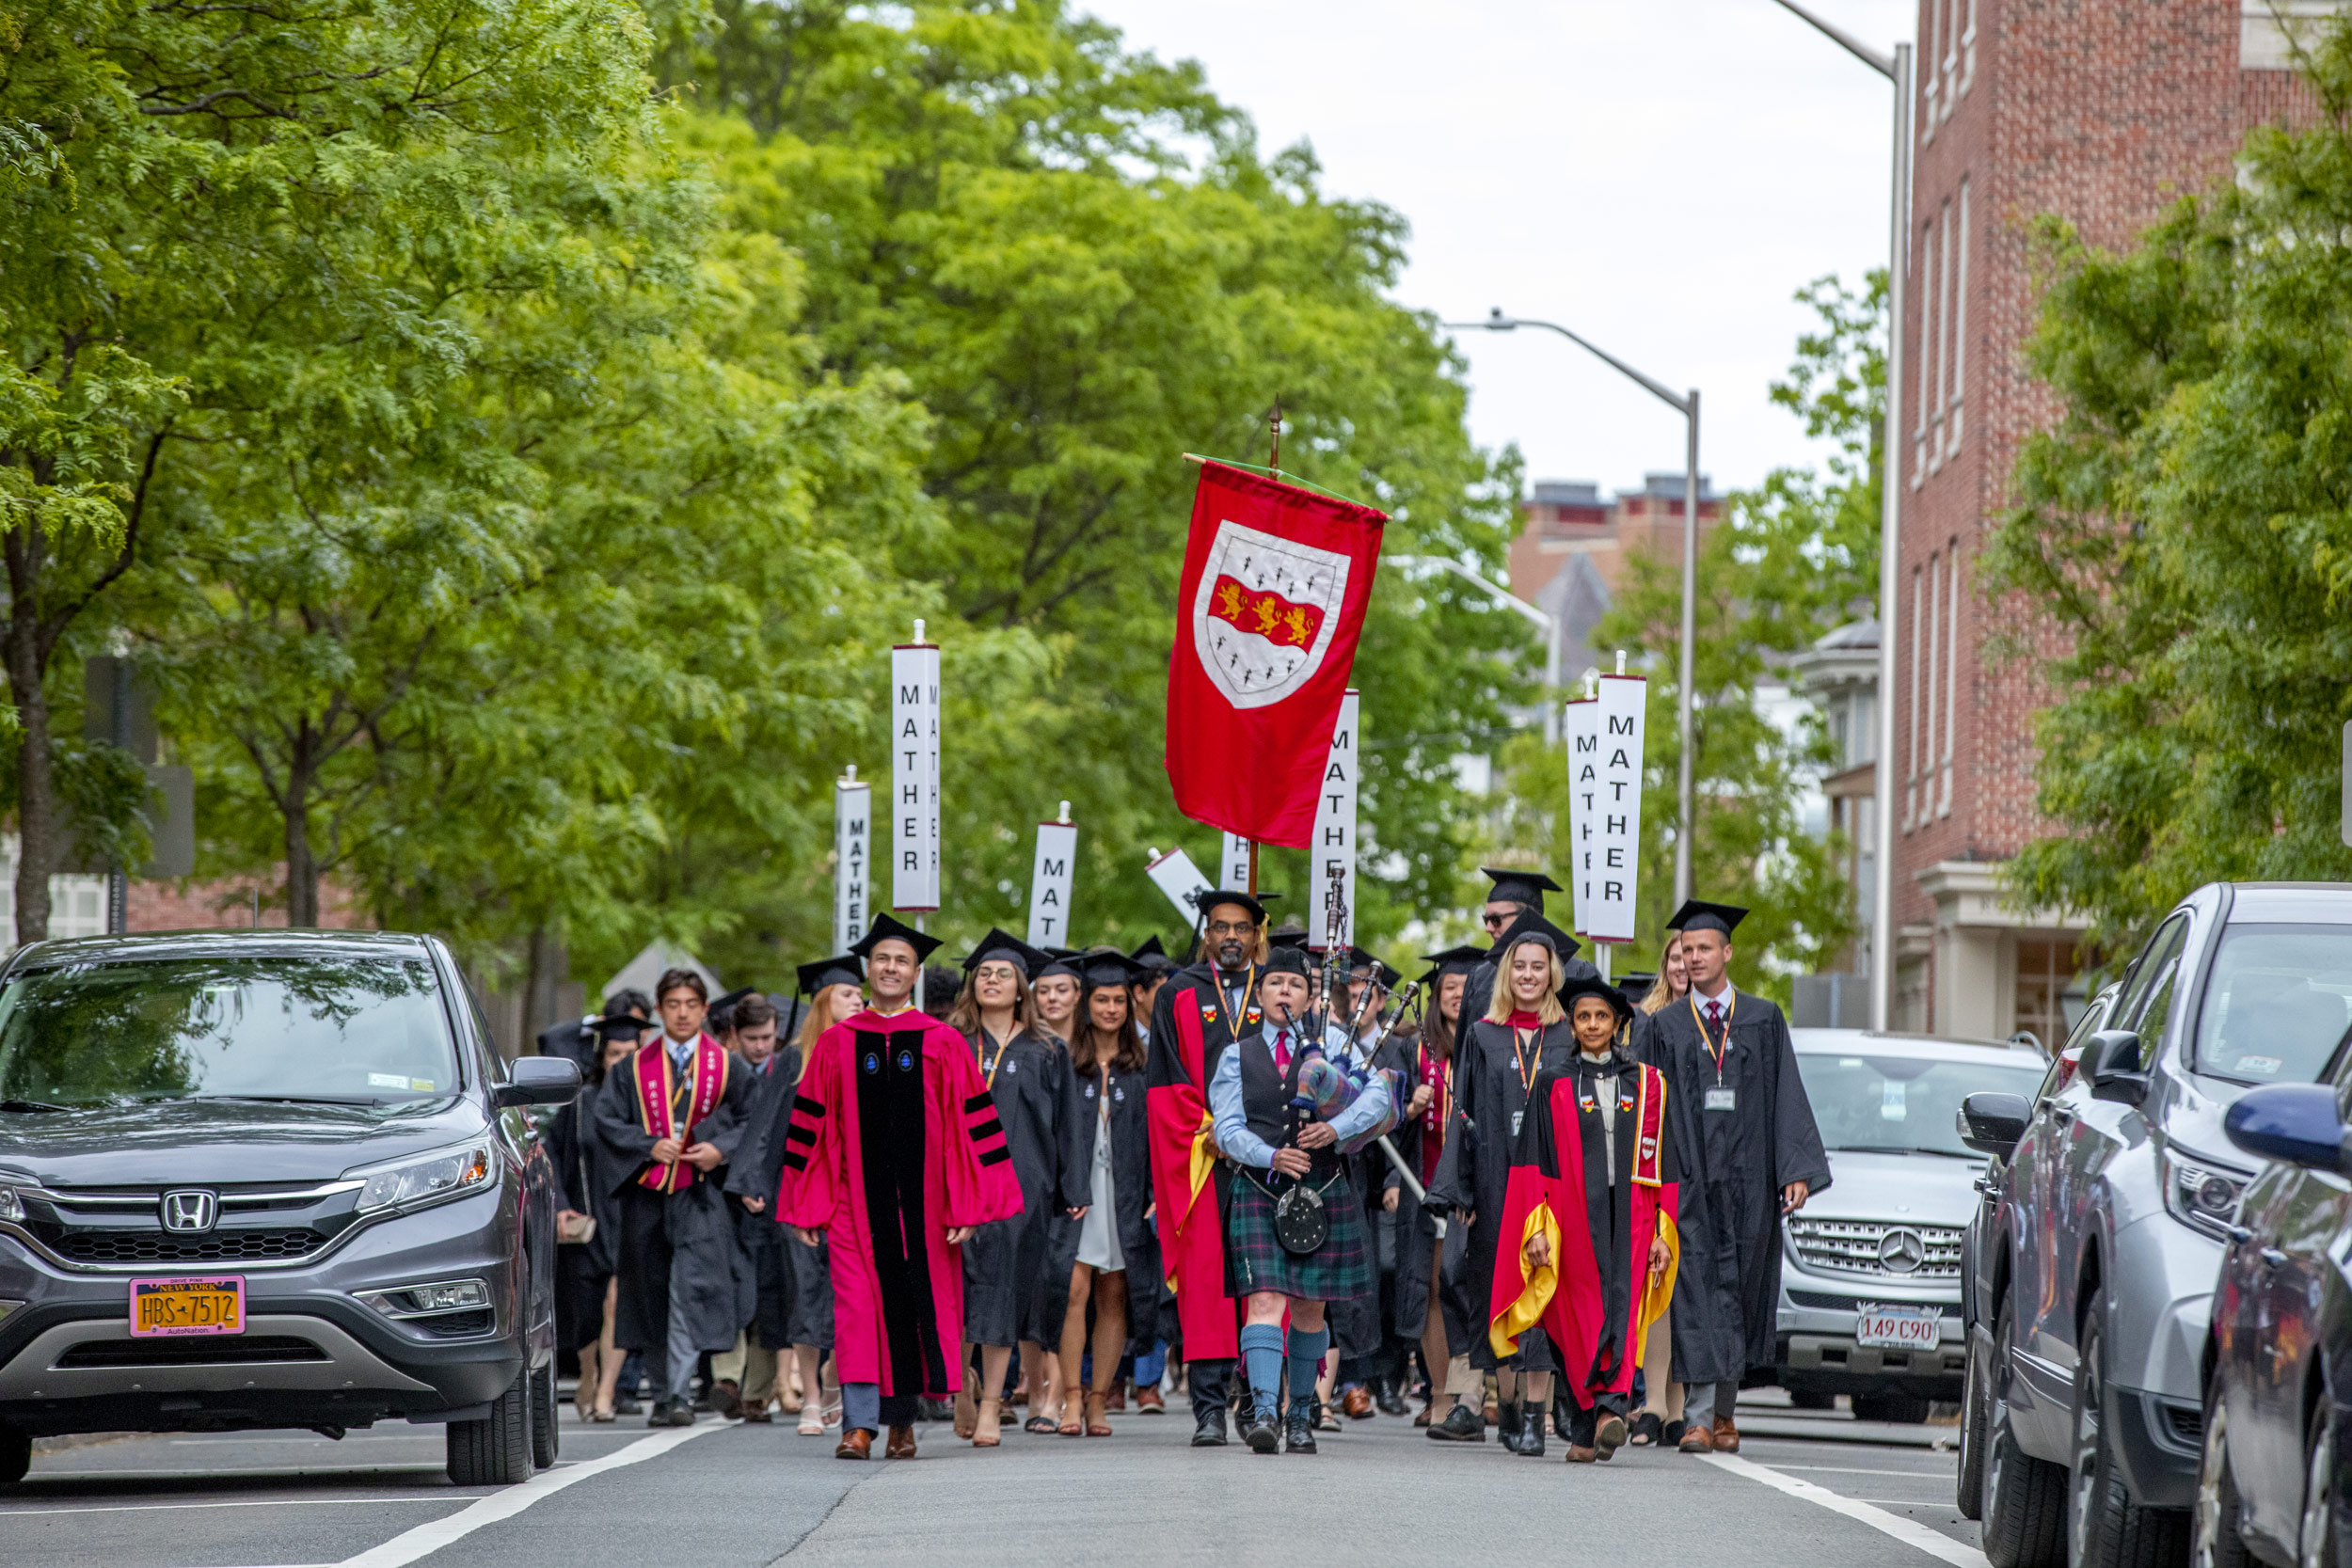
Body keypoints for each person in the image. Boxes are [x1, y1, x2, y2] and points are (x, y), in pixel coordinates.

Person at [775, 914, 1025, 1461]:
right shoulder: (838, 1043)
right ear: (869, 969)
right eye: (882, 959)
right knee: (859, 1310)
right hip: (851, 1207)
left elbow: (970, 1128)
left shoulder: (944, 1043)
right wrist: (808, 1206)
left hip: (927, 1207)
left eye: (901, 961)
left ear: (915, 973)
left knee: (914, 1306)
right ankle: (859, 1424)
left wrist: (967, 1205)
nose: (890, 968)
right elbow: (810, 1131)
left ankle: (901, 1422)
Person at [1642, 899, 1831, 1455]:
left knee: (1742, 1294)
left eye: (1704, 949)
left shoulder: (1763, 1018)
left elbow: (1787, 1096)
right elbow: (1650, 1109)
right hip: (1691, 1179)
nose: (1694, 958)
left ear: (1727, 952)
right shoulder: (1664, 1026)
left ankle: (1725, 1414)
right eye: (1686, 951)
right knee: (1697, 1294)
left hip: (1750, 1178)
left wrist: (1795, 1169)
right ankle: (1700, 1418)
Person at [1209, 945, 1396, 1455]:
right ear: (1261, 994)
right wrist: (1270, 1155)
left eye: (1294, 985)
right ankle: (1264, 1410)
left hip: (1325, 1185)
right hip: (1261, 1184)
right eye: (1274, 984)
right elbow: (1225, 1127)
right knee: (1265, 1300)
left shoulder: (1336, 1043)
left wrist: (1335, 1128)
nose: (1284, 992)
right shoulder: (1236, 1055)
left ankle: (1301, 1415)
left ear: (1310, 994)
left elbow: (1378, 1098)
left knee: (1311, 1309)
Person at [1488, 975, 1678, 1464]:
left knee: (1621, 1313)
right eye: (1583, 1016)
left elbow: (1665, 1167)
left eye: (1602, 1017)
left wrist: (1662, 1231)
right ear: (1571, 1024)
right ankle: (1586, 1425)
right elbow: (1534, 1163)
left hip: (1632, 1216)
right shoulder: (1553, 1082)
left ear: (1618, 1024)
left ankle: (1610, 1412)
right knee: (1574, 1321)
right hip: (1572, 1217)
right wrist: (1535, 1229)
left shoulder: (1648, 1083)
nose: (1593, 1024)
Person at [1427, 916, 1586, 1457]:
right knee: (1501, 1294)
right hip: (1496, 1183)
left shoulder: (1568, 1035)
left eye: (1537, 967)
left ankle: (1536, 1415)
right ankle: (1513, 1406)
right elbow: (1465, 1115)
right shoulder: (1483, 1036)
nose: (1527, 975)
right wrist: (1461, 1191)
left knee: (1544, 1293)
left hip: (1552, 1184)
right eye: (1518, 965)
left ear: (1552, 974)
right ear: (1505, 973)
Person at [591, 968, 757, 1427]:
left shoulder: (727, 1065)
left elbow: (754, 1119)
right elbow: (606, 1121)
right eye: (673, 1005)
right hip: (647, 1194)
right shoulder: (632, 1069)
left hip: (701, 1197)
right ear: (660, 1011)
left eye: (691, 1004)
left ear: (704, 1010)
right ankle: (664, 1395)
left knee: (688, 1292)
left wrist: (720, 1149)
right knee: (651, 1295)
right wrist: (648, 1145)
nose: (682, 1013)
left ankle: (680, 1392)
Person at [944, 930, 1087, 1447]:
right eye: (984, 973)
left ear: (1020, 986)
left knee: (1002, 1297)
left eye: (1003, 973)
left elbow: (1069, 1124)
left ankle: (990, 1406)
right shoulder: (950, 1041)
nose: (993, 980)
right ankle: (959, 1387)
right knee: (956, 1293)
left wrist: (1073, 1187)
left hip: (1021, 1188)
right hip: (955, 1184)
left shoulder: (1045, 1049)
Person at [1145, 888, 1275, 1448]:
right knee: (1204, 1283)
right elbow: (1164, 1084)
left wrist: (1256, 1137)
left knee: (1262, 1281)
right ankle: (1207, 1409)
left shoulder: (1277, 991)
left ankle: (1256, 1401)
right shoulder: (1178, 992)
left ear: (1256, 934)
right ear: (1206, 934)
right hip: (1203, 1159)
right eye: (1219, 927)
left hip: (1267, 1160)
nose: (1229, 936)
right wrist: (1213, 1134)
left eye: (1240, 928)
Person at [750, 958, 862, 1436]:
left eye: (860, 996)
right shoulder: (795, 1060)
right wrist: (755, 1183)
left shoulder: (867, 1054)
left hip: (857, 1194)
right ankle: (812, 1396)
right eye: (847, 995)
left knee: (851, 1297)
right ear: (822, 1002)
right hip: (804, 1194)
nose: (858, 1001)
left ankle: (836, 1381)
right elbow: (767, 1129)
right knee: (807, 1295)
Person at [1046, 953, 1155, 1437]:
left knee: (1115, 1292)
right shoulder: (1065, 1060)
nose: (1110, 1008)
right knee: (1074, 1289)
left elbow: (1160, 1135)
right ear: (1086, 1004)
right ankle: (1070, 1396)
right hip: (1077, 1189)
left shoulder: (1143, 1065)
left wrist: (1156, 1191)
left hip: (1126, 1190)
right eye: (1101, 1000)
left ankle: (1097, 1401)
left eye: (1118, 1000)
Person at [549, 1007, 654, 1421]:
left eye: (630, 1052)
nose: (621, 1062)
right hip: (588, 1219)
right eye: (614, 1053)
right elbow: (552, 1155)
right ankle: (590, 1372)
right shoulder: (580, 1104)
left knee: (618, 1303)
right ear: (602, 1057)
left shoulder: (649, 1105)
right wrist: (559, 1204)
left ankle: (607, 1390)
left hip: (630, 1217)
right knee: (589, 1311)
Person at [1408, 946, 1483, 1436]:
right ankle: (1440, 1392)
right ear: (1436, 997)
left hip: (1475, 1190)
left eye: (1464, 987)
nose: (1456, 995)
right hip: (1425, 1184)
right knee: (1434, 1287)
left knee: (1469, 1287)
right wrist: (1410, 1106)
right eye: (1448, 989)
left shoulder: (1488, 1044)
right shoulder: (1414, 1049)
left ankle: (1477, 1393)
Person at [1640, 934, 1690, 1016]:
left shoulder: (1712, 1016)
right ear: (1665, 965)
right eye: (1675, 959)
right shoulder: (1646, 1017)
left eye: (1687, 959)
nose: (1682, 967)